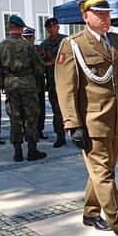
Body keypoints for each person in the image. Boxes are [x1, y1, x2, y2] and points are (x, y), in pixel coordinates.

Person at [55, 0, 118, 236]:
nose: (106, 18)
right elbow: (66, 88)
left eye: (107, 13)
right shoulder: (73, 45)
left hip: (117, 120)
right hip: (92, 122)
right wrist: (72, 124)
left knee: (104, 170)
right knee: (104, 174)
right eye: (100, 14)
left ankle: (90, 212)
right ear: (85, 16)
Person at [0, 16, 47, 162]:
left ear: (9, 28)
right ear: (20, 29)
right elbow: (39, 69)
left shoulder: (1, 45)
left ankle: (17, 152)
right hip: (28, 84)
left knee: (15, 116)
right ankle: (32, 150)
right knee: (31, 117)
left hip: (10, 84)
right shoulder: (28, 46)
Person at [39, 17, 67, 147]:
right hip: (53, 82)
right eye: (49, 28)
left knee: (73, 109)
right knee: (57, 111)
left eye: (54, 26)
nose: (52, 29)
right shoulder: (44, 44)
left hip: (68, 81)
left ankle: (79, 133)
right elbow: (41, 63)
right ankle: (60, 136)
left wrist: (53, 60)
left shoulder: (66, 41)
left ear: (58, 27)